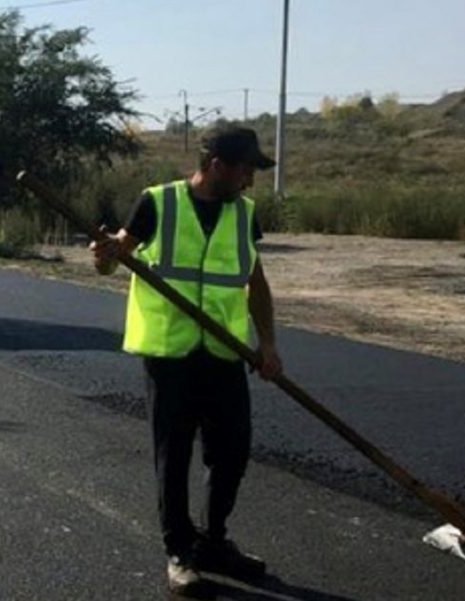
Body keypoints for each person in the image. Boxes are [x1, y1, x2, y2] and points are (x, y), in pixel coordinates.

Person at [90, 124, 284, 598]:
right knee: (173, 455)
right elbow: (113, 261)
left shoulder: (244, 215)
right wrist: (104, 255)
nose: (249, 181)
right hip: (170, 354)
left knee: (232, 451)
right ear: (217, 165)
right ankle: (180, 553)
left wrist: (269, 345)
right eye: (245, 170)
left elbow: (254, 283)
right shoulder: (158, 202)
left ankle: (215, 542)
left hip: (225, 352)